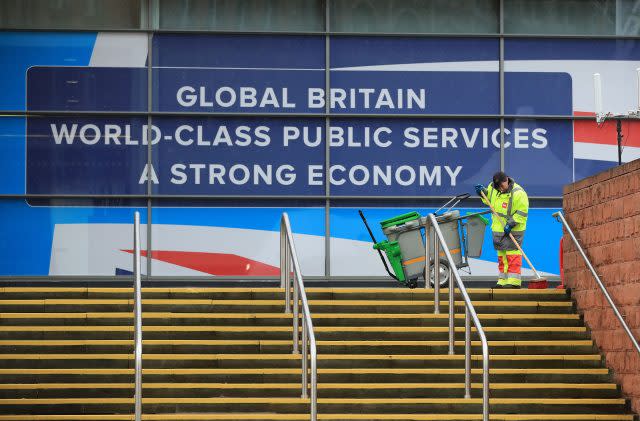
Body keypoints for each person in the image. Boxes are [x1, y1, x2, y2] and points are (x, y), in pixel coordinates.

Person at [474, 172, 529, 289]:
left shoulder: (519, 193)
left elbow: (522, 213)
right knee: (502, 255)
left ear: (506, 180)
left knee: (512, 254)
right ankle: (503, 280)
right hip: (498, 229)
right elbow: (488, 199)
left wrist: (511, 224)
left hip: (514, 229)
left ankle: (514, 281)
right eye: (497, 187)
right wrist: (482, 192)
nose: (500, 189)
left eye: (501, 186)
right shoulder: (493, 187)